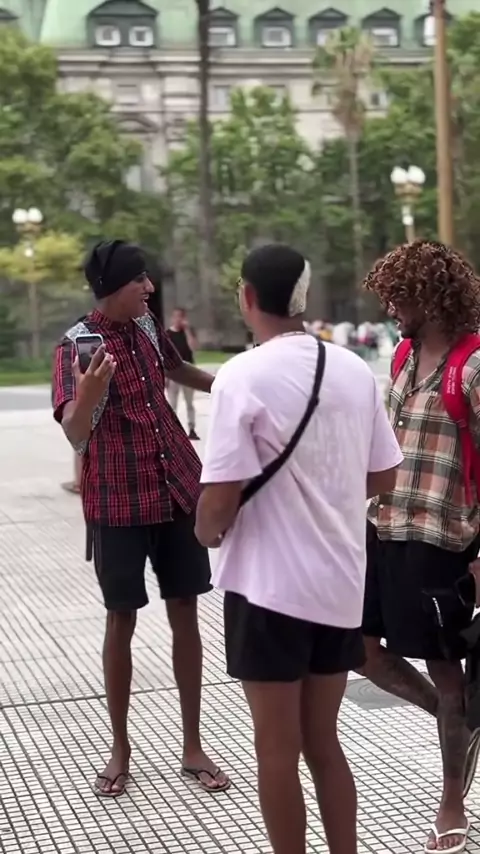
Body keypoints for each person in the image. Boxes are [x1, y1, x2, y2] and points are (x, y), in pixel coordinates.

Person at [195, 244, 403, 854]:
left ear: (247, 296)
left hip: (268, 590)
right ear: (303, 298)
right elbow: (384, 474)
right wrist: (325, 492)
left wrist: (205, 532)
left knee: (276, 751)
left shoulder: (242, 375)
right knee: (324, 743)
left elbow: (218, 502)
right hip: (339, 584)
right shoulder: (352, 369)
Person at [52, 240, 230, 798]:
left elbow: (180, 370)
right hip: (117, 501)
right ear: (112, 288)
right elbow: (74, 430)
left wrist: (233, 384)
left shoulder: (149, 327)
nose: (150, 288)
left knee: (187, 612)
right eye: (139, 281)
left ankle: (193, 745)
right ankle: (120, 748)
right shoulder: (75, 346)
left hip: (176, 488)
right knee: (121, 619)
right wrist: (89, 393)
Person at [362, 239, 480, 853]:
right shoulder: (404, 353)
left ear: (431, 297)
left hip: (442, 537)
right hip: (384, 525)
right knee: (359, 649)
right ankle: (456, 722)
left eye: (398, 297)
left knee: (445, 666)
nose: (390, 309)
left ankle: (452, 799)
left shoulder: (474, 365)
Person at [166, 308, 200, 441]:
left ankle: (192, 429)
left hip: (188, 372)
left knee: (190, 403)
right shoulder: (167, 334)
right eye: (176, 317)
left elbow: (193, 347)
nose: (178, 319)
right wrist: (165, 376)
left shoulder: (189, 332)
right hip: (173, 372)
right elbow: (164, 355)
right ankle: (172, 431)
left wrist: (187, 331)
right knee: (172, 404)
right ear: (172, 318)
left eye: (181, 317)